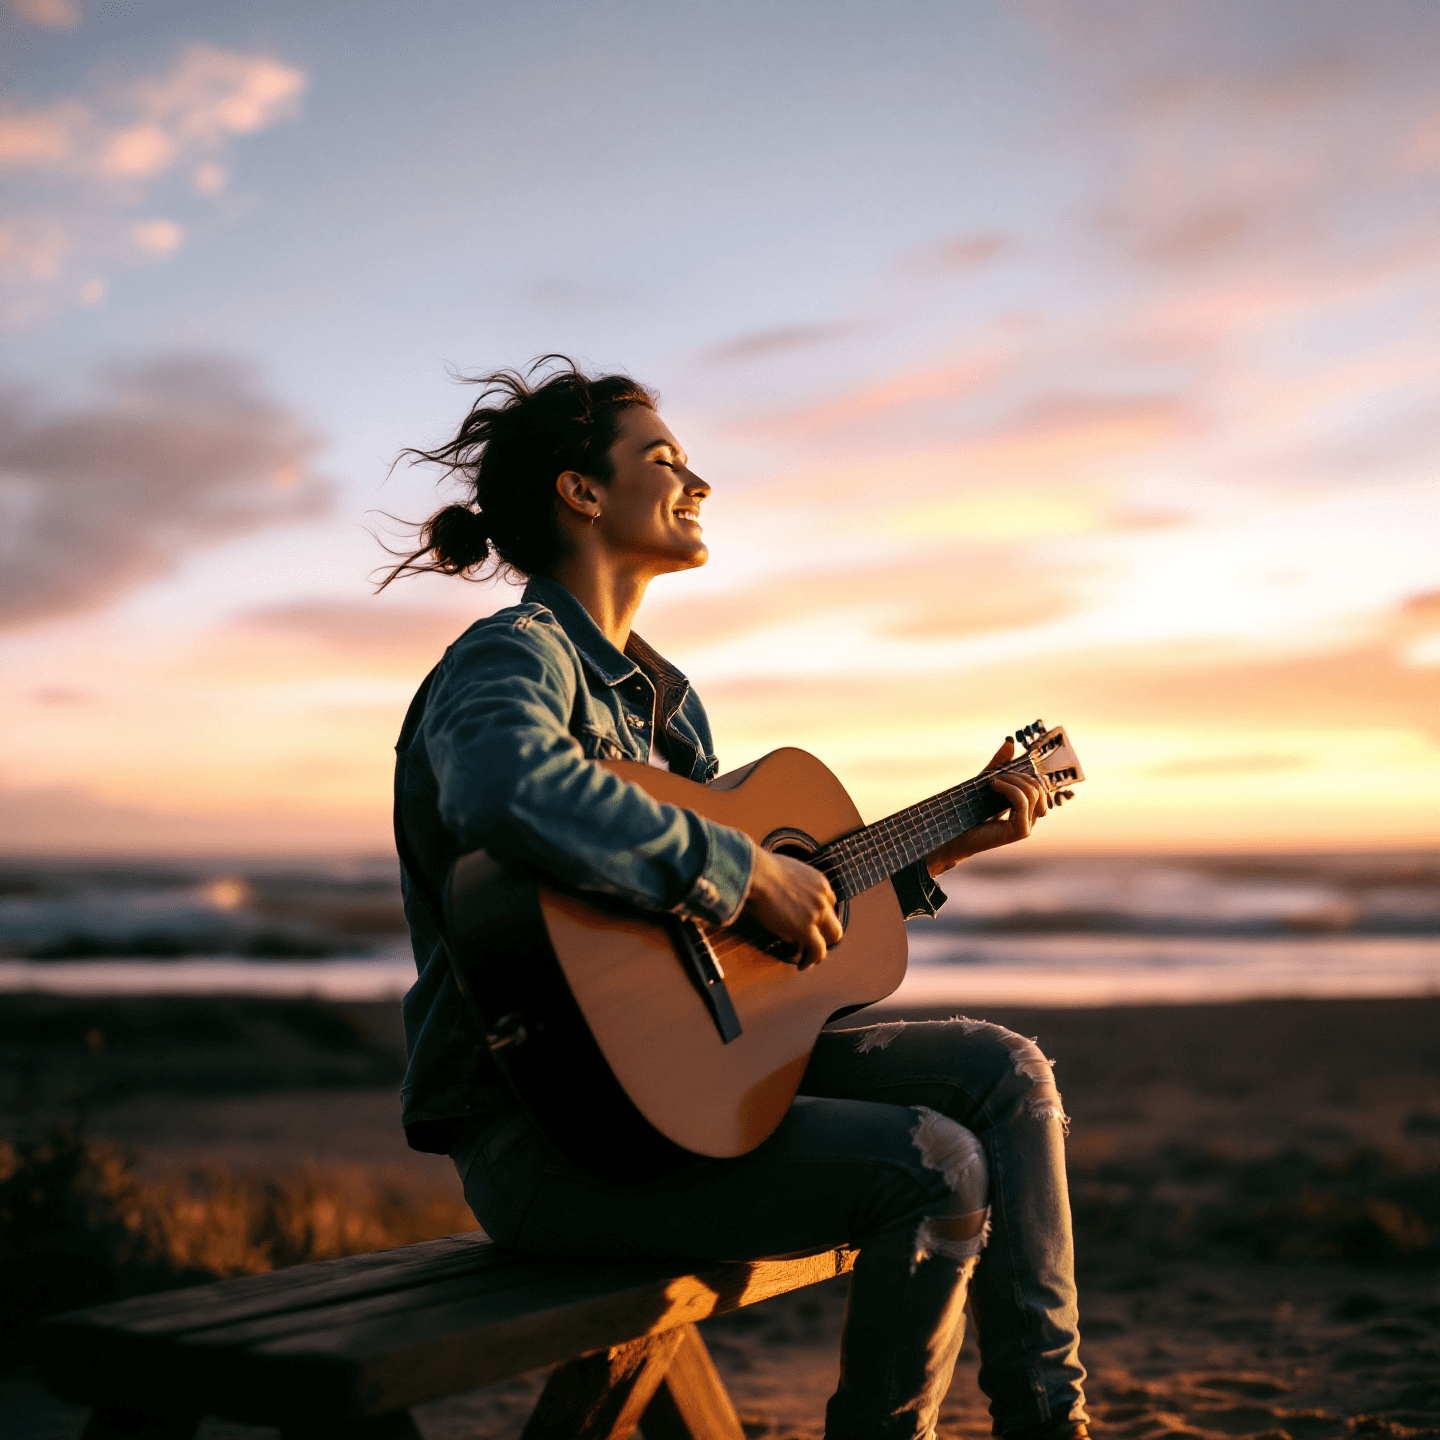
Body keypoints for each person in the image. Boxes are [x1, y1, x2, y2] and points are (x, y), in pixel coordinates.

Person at [384, 360, 1088, 1440]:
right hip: (550, 1144)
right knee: (935, 1165)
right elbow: (502, 787)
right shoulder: (511, 658)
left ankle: (1049, 1425)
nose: (698, 479)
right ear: (581, 492)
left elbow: (736, 966)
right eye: (663, 459)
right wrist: (746, 869)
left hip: (679, 1110)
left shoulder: (667, 712)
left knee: (1007, 1075)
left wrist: (937, 852)